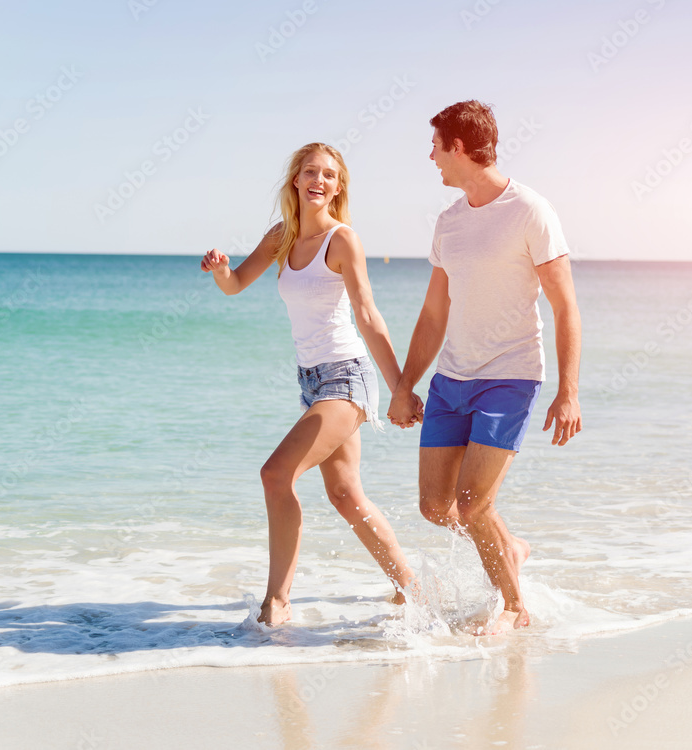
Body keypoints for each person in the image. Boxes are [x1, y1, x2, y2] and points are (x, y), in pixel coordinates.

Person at [201, 143, 418, 626]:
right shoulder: (282, 236)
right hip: (311, 381)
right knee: (345, 494)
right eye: (310, 172)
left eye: (329, 175)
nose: (319, 180)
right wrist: (220, 271)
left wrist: (401, 387)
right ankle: (413, 588)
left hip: (346, 376)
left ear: (338, 188)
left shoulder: (342, 241)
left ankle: (277, 601)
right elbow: (236, 284)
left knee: (276, 475)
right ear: (295, 181)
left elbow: (367, 315)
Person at [387, 101, 582, 635]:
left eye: (435, 146)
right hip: (452, 376)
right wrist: (405, 385)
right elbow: (433, 313)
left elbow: (565, 307)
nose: (431, 158)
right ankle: (509, 544)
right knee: (436, 507)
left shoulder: (530, 210)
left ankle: (516, 609)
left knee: (472, 504)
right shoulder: (449, 222)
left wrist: (569, 392)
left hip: (510, 376)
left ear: (458, 146)